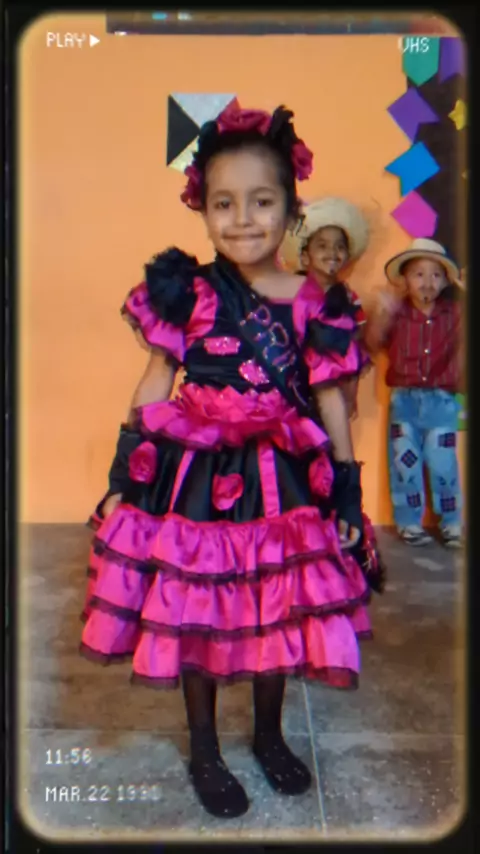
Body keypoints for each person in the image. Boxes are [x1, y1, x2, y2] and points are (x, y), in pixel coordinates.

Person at [81, 102, 385, 820]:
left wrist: (346, 493)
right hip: (195, 477)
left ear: (291, 208)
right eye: (224, 203)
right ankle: (204, 748)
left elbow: (331, 400)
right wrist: (124, 480)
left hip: (282, 480)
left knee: (277, 605)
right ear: (202, 208)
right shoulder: (184, 291)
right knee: (195, 609)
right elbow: (156, 381)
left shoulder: (317, 303)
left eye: (261, 201)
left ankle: (270, 734)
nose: (243, 219)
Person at [364, 238, 464, 548]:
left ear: (445, 281)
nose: (427, 282)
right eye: (418, 274)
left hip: (441, 400)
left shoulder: (455, 312)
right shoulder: (397, 312)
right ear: (405, 280)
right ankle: (409, 522)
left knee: (443, 463)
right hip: (404, 400)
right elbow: (371, 344)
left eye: (436, 275)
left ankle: (452, 523)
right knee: (404, 463)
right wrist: (382, 313)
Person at [280, 197, 371, 419]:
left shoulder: (348, 298)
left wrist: (350, 397)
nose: (332, 252)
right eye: (322, 246)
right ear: (305, 256)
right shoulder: (291, 295)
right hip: (295, 392)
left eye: (340, 246)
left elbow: (354, 347)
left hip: (334, 393)